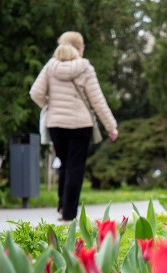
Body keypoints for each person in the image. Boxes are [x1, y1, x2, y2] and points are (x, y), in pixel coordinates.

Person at [30, 31, 118, 223]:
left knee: (64, 164)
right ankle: (69, 214)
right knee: (75, 167)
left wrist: (49, 105)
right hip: (80, 125)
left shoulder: (50, 67)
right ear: (78, 48)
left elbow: (35, 92)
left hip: (56, 125)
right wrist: (111, 126)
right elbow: (98, 100)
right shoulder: (85, 68)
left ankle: (62, 207)